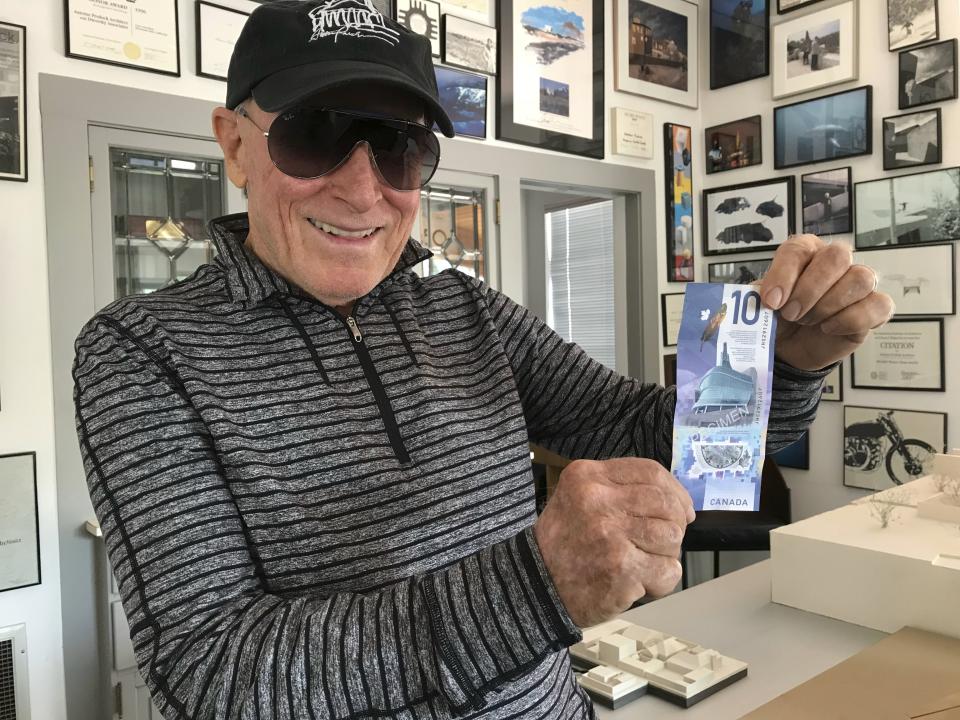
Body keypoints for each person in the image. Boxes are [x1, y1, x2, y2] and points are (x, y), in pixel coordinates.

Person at [72, 1, 894, 718]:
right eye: (314, 135)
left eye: (398, 148)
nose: (363, 191)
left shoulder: (466, 308)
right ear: (236, 144)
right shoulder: (141, 355)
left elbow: (644, 430)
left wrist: (785, 363)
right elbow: (207, 673)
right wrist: (534, 585)